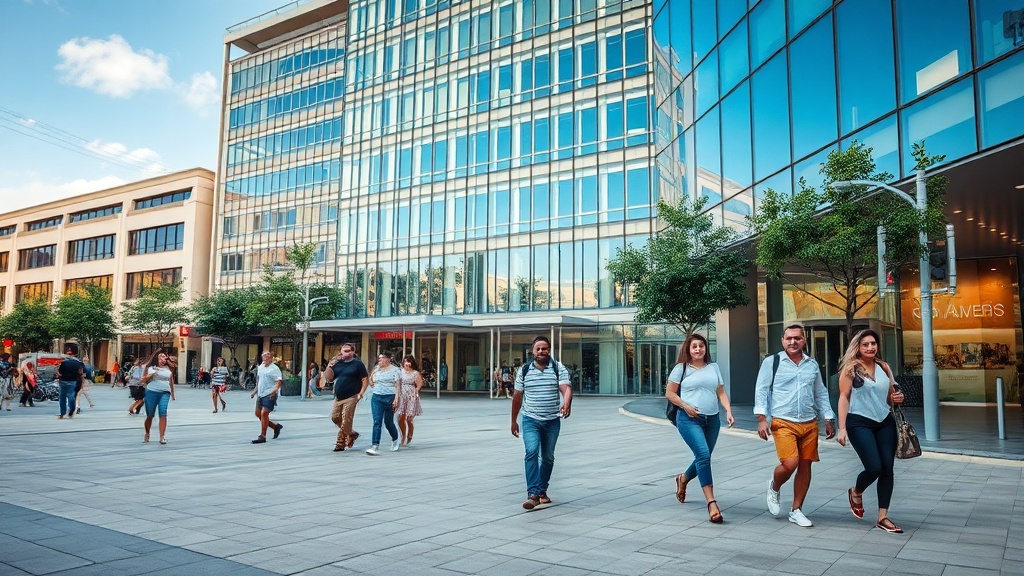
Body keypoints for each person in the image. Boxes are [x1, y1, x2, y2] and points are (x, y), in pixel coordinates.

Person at [754, 324, 836, 527]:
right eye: (789, 338)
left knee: (805, 465)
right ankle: (774, 486)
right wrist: (761, 418)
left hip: (809, 422)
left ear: (804, 340)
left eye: (797, 338)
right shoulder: (772, 362)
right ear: (782, 341)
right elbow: (761, 390)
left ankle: (796, 510)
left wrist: (828, 417)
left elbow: (820, 392)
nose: (793, 342)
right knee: (790, 463)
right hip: (783, 421)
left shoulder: (812, 365)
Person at [836, 329, 906, 534]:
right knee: (874, 467)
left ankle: (883, 517)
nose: (870, 347)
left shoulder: (884, 367)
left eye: (873, 343)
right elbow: (843, 397)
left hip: (885, 421)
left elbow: (890, 397)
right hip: (859, 422)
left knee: (887, 468)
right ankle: (856, 492)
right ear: (858, 347)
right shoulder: (851, 369)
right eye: (865, 344)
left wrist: (896, 399)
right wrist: (842, 428)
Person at [665, 334, 735, 523]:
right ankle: (711, 502)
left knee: (703, 457)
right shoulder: (681, 369)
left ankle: (683, 478)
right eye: (694, 346)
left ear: (705, 348)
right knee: (703, 455)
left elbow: (720, 391)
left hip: (712, 419)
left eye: (701, 346)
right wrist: (686, 406)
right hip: (688, 419)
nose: (698, 349)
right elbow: (670, 393)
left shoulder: (714, 367)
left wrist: (728, 410)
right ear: (688, 349)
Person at [511, 336, 572, 510]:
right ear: (533, 351)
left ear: (549, 350)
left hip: (552, 421)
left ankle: (542, 490)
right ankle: (533, 494)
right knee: (531, 452)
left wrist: (567, 402)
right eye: (538, 349)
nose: (541, 351)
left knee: (547, 457)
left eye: (544, 348)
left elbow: (566, 389)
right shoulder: (524, 370)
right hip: (530, 420)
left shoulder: (558, 368)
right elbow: (517, 397)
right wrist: (513, 421)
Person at [325, 343, 369, 452]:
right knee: (335, 418)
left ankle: (340, 443)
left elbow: (365, 379)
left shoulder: (358, 364)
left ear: (353, 352)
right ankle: (352, 434)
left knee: (346, 419)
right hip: (339, 397)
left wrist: (361, 393)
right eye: (344, 351)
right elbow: (329, 379)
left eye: (349, 350)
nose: (347, 353)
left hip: (352, 396)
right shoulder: (337, 364)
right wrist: (329, 366)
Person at [365, 351, 401, 455]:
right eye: (379, 358)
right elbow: (371, 383)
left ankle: (395, 439)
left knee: (388, 423)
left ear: (389, 359)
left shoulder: (395, 370)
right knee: (377, 421)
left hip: (390, 397)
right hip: (377, 397)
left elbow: (397, 385)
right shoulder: (377, 368)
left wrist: (396, 399)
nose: (379, 360)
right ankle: (375, 445)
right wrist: (373, 374)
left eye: (382, 358)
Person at [141, 350, 175, 444]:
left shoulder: (168, 368)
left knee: (163, 413)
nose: (163, 359)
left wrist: (172, 393)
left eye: (165, 357)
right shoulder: (150, 367)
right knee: (150, 415)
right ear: (156, 358)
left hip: (165, 392)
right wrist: (150, 376)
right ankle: (147, 433)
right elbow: (143, 380)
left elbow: (171, 381)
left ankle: (162, 436)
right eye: (161, 357)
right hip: (151, 392)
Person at [250, 351, 283, 444]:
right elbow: (260, 381)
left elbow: (279, 381)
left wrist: (275, 390)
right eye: (264, 356)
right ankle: (275, 427)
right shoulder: (260, 367)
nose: (266, 358)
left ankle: (262, 436)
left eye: (268, 356)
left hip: (270, 393)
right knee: (258, 414)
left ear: (271, 358)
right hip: (260, 393)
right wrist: (254, 391)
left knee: (264, 413)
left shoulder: (274, 369)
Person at [396, 355, 424, 446]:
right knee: (401, 417)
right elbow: (396, 383)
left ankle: (410, 433)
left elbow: (419, 384)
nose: (407, 364)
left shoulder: (415, 373)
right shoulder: (400, 372)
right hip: (402, 395)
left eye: (409, 362)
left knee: (409, 418)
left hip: (411, 396)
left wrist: (416, 391)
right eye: (405, 362)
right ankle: (403, 434)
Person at [56, 343, 85, 419]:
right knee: (65, 397)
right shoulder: (76, 362)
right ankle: (64, 413)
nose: (69, 353)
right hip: (67, 381)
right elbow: (83, 372)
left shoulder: (66, 362)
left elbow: (59, 372)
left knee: (68, 397)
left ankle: (70, 411)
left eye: (70, 351)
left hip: (71, 382)